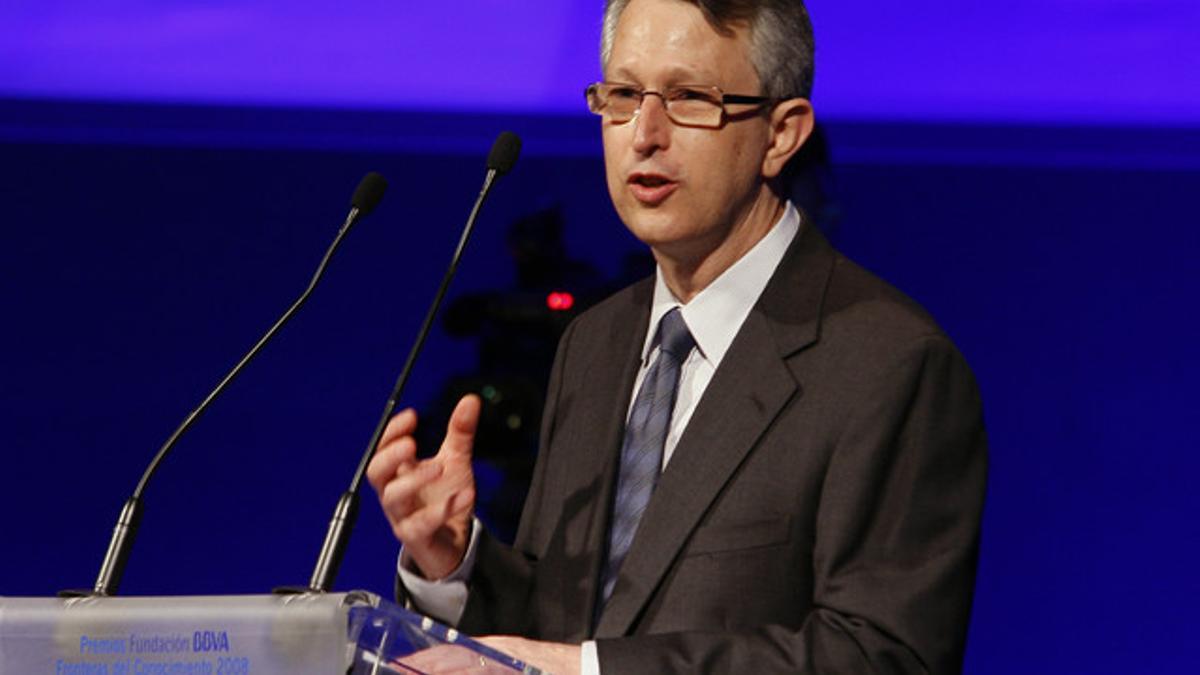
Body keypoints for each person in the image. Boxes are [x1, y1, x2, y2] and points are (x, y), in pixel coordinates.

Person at [366, 0, 988, 672]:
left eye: (691, 97)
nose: (644, 133)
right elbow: (557, 631)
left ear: (782, 134)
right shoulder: (594, 343)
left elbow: (880, 655)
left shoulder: (888, 363)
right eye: (624, 95)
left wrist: (586, 671)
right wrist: (453, 562)